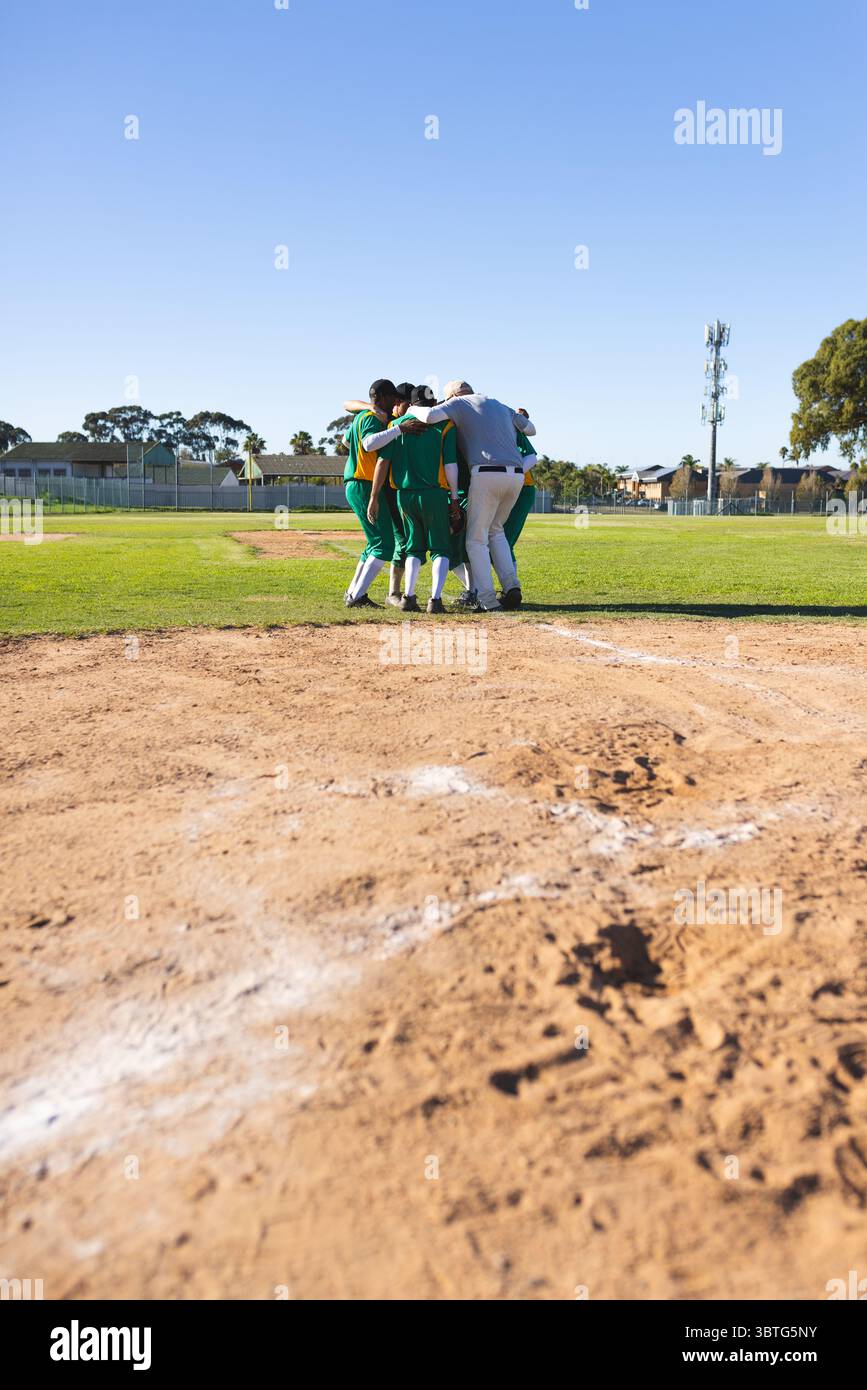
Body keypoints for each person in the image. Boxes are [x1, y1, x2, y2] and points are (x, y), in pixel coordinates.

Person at [414, 382, 536, 612]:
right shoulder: (499, 404)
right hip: (516, 475)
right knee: (496, 532)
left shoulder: (458, 403)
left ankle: (487, 599)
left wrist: (412, 409)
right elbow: (530, 429)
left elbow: (429, 416)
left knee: (476, 540)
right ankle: (512, 587)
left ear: (452, 396)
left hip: (486, 473)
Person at [366, 386, 460, 613]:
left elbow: (383, 462)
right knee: (440, 548)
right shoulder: (445, 424)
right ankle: (435, 600)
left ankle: (408, 596)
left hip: (404, 495)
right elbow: (450, 465)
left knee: (413, 548)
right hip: (434, 493)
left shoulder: (395, 426)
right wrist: (455, 498)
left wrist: (374, 496)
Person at [342, 380, 424, 608]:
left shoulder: (364, 416)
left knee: (373, 544)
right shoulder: (372, 418)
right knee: (383, 545)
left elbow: (345, 440)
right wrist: (399, 429)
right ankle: (356, 597)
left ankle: (353, 592)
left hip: (358, 481)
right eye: (393, 398)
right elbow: (368, 444)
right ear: (385, 398)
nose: (395, 402)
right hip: (363, 483)